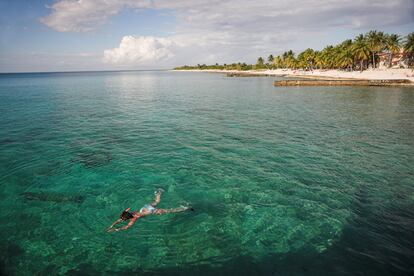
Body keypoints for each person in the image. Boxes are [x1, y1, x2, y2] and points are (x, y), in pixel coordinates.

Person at [107, 188, 193, 232]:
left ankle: (185, 208)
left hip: (151, 211)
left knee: (170, 211)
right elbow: (126, 210)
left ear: (127, 218)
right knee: (157, 201)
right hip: (145, 207)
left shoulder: (134, 218)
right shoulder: (128, 213)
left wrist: (115, 229)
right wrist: (112, 224)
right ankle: (159, 192)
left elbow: (127, 227)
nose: (121, 219)